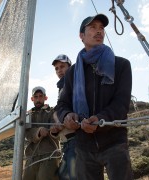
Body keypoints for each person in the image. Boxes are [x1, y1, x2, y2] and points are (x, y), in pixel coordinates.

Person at [56, 14, 134, 180]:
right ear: (82, 36)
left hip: (115, 142)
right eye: (92, 27)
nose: (99, 31)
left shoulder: (121, 65)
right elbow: (62, 104)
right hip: (83, 146)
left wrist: (99, 119)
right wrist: (67, 115)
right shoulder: (72, 73)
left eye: (101, 28)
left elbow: (121, 104)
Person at [23, 86, 61, 180]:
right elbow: (26, 133)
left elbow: (57, 128)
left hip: (49, 156)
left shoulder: (52, 112)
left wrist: (54, 130)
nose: (38, 99)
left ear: (45, 98)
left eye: (40, 96)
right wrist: (38, 131)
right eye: (36, 97)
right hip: (31, 156)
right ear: (32, 99)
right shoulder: (28, 115)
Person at [51, 54, 76, 180]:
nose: (59, 70)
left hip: (76, 141)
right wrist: (56, 125)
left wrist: (59, 118)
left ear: (70, 67)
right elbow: (59, 111)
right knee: (61, 176)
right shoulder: (61, 87)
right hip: (67, 142)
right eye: (56, 68)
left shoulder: (74, 84)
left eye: (62, 66)